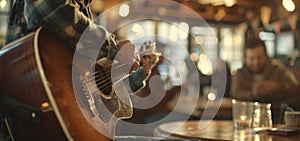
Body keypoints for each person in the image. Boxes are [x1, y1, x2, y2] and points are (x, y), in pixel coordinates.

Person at [1, 0, 159, 140]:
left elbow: (96, 89)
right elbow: (46, 9)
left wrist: (140, 73)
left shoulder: (84, 10)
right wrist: (113, 47)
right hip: (31, 121)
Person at [230, 38, 299, 123]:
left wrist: (275, 87)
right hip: (247, 119)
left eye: (259, 58)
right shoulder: (240, 74)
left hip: (277, 119)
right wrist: (252, 94)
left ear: (266, 56)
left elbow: (296, 89)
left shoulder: (278, 69)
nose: (256, 62)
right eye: (251, 58)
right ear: (245, 59)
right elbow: (235, 94)